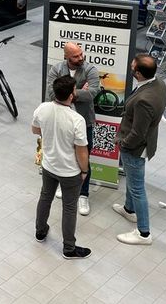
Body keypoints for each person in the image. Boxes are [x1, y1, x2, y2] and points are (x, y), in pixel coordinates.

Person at [32, 75, 91, 259]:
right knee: (69, 207)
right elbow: (82, 152)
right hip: (70, 172)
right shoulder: (77, 120)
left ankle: (40, 231)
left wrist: (50, 133)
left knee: (45, 198)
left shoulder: (43, 108)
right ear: (72, 95)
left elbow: (35, 130)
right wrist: (84, 171)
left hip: (49, 166)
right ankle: (69, 248)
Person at [114, 53, 166, 245]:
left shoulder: (144, 100)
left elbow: (137, 133)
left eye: (132, 67)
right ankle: (129, 209)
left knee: (137, 188)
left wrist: (123, 144)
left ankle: (143, 233)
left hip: (135, 148)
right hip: (144, 142)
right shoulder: (159, 84)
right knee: (132, 178)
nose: (130, 67)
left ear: (138, 73)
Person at [45, 42, 100, 215]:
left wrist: (68, 92)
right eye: (75, 56)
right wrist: (78, 91)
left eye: (81, 54)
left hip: (84, 121)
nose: (80, 58)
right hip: (61, 121)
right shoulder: (56, 69)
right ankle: (65, 185)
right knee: (66, 154)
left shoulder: (90, 69)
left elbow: (92, 92)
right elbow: (52, 93)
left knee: (84, 156)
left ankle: (83, 195)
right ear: (66, 57)